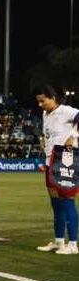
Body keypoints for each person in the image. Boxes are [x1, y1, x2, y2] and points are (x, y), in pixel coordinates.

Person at [33, 85, 79, 254]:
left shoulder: (66, 111)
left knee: (67, 202)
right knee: (56, 203)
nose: (40, 105)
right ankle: (59, 242)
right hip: (50, 161)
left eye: (42, 101)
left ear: (52, 98)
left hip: (65, 161)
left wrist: (74, 136)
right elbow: (50, 134)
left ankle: (73, 245)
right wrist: (43, 140)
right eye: (38, 102)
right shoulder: (46, 114)